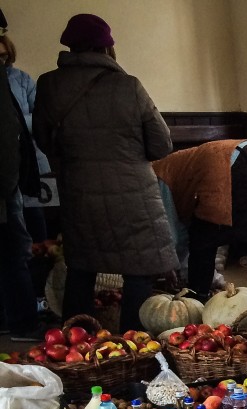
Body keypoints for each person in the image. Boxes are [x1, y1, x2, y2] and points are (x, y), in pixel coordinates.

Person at [32, 13, 175, 332]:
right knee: (138, 271)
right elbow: (161, 144)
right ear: (108, 48)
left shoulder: (48, 85)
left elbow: (43, 139)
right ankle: (132, 346)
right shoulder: (129, 86)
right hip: (133, 197)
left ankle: (75, 344)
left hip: (79, 195)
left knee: (81, 270)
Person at [153, 139, 247, 297]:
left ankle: (198, 298)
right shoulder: (170, 165)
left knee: (202, 242)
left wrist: (168, 267)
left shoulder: (157, 176)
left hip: (229, 164)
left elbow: (175, 237)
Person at [0, 38, 38, 339]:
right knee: (14, 250)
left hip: (16, 175)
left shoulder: (21, 79)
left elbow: (33, 122)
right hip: (6, 181)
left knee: (19, 247)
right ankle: (22, 323)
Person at [2, 29, 49, 245]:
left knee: (35, 219)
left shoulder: (21, 79)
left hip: (28, 160)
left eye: (3, 56)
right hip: (6, 163)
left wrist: (16, 124)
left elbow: (41, 116)